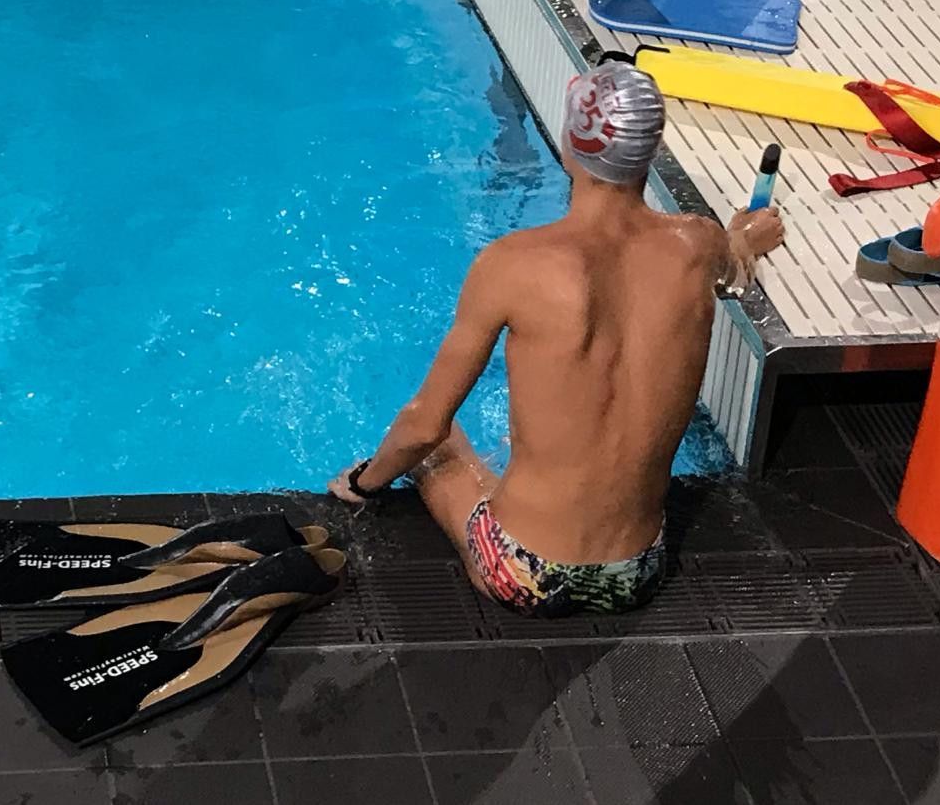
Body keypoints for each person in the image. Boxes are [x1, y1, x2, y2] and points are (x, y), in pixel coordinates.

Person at [329, 60, 784, 616]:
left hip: (522, 570)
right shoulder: (698, 245)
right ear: (651, 148)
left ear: (571, 147)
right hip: (636, 570)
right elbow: (732, 262)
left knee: (439, 449)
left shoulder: (512, 265)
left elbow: (425, 425)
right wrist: (746, 237)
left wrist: (366, 480)